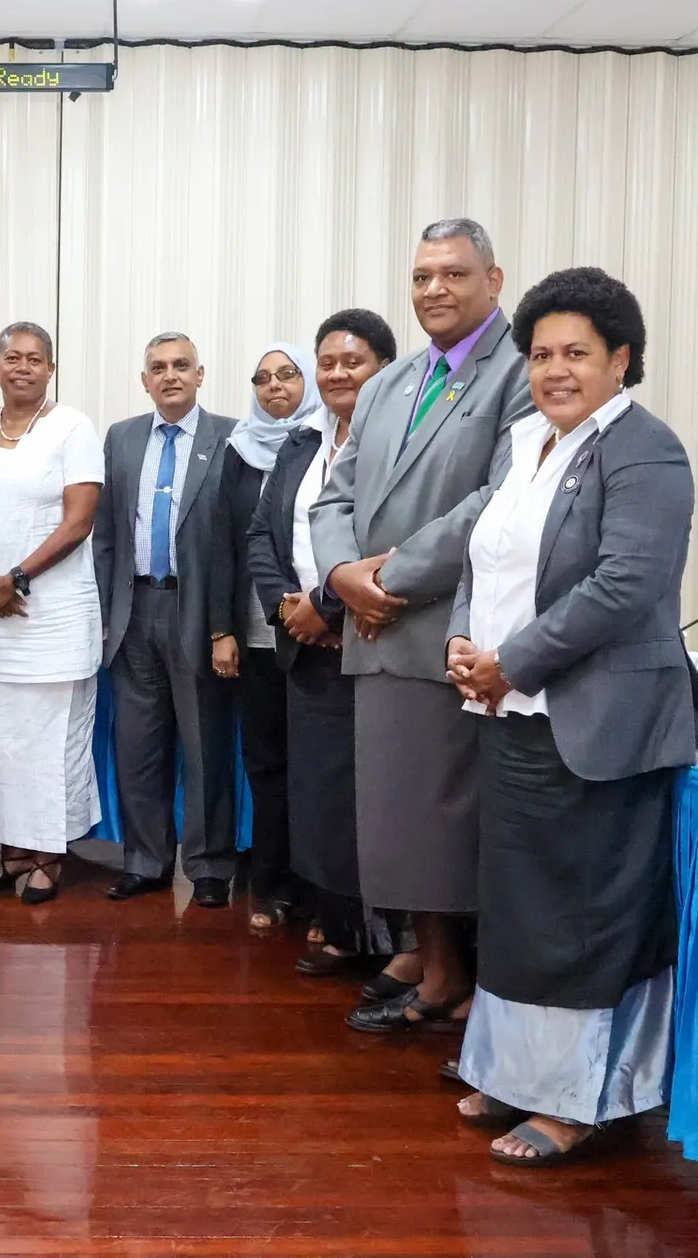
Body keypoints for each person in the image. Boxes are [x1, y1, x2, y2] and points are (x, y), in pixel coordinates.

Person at [444, 267, 698, 1164]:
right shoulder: (526, 442)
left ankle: (580, 1102)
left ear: (620, 359)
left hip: (599, 722)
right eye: (540, 354)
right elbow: (484, 558)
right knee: (521, 907)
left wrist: (511, 661)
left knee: (584, 915)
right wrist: (462, 641)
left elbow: (624, 584)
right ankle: (513, 1073)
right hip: (509, 713)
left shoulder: (645, 450)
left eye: (576, 353)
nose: (554, 370)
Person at [311, 218, 532, 1033]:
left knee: (455, 830)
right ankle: (437, 973)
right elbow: (335, 497)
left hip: (452, 636)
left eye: (453, 273)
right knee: (400, 829)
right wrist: (342, 576)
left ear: (493, 280)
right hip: (373, 635)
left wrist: (387, 582)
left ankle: (472, 988)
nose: (434, 289)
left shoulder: (520, 372)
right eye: (421, 276)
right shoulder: (390, 382)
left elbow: (498, 501)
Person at [245, 312, 420, 993]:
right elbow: (263, 536)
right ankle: (342, 923)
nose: (338, 373)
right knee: (320, 795)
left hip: (375, 640)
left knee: (379, 795)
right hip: (306, 646)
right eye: (328, 362)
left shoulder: (406, 441)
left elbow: (400, 543)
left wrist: (328, 606)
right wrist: (288, 609)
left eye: (354, 361)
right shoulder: (302, 443)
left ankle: (400, 938)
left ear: (386, 369)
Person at [0, 322, 103, 904]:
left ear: (50, 369)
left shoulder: (73, 428)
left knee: (51, 741)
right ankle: (12, 849)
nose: (23, 367)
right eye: (12, 357)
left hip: (55, 616)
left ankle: (49, 855)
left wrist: (16, 578)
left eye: (35, 359)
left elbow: (78, 522)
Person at [92, 332, 237, 907]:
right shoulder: (122, 437)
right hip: (134, 610)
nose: (170, 375)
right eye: (158, 367)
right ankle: (145, 861)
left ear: (200, 375)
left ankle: (208, 866)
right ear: (144, 380)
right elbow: (106, 533)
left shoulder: (230, 436)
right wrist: (106, 614)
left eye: (181, 365)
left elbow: (236, 537)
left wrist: (225, 625)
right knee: (138, 747)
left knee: (205, 745)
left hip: (198, 608)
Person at [211, 341, 323, 930]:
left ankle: (321, 889)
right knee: (266, 763)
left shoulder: (328, 442)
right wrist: (222, 629)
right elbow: (225, 544)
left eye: (287, 374)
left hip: (317, 633)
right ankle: (273, 883)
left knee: (318, 766)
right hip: (257, 638)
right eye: (262, 378)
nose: (274, 386)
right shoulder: (240, 451)